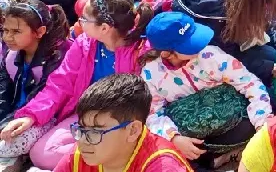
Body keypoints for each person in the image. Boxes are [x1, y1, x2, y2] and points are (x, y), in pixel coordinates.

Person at [0, 0, 152, 170]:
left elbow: (147, 100)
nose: (78, 23)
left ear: (104, 28)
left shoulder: (141, 51)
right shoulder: (84, 45)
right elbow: (59, 84)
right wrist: (31, 116)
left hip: (122, 122)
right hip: (85, 115)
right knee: (41, 155)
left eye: (84, 19)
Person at [142, 12, 270, 166]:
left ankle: (219, 158)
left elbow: (251, 84)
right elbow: (152, 114)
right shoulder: (151, 74)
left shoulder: (211, 56)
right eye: (188, 44)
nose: (198, 45)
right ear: (166, 53)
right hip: (193, 136)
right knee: (170, 152)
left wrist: (261, 124)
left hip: (230, 122)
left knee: (249, 125)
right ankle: (218, 159)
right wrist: (174, 138)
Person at [52, 74, 191, 172]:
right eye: (81, 129)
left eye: (95, 131)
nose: (82, 140)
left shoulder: (163, 166)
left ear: (133, 130)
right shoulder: (81, 155)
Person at [0, 0, 70, 169]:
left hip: (44, 116)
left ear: (40, 32)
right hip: (17, 115)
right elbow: (3, 92)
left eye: (16, 31)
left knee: (10, 143)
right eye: (5, 30)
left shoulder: (58, 57)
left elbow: (44, 99)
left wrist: (8, 122)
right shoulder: (11, 55)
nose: (7, 37)